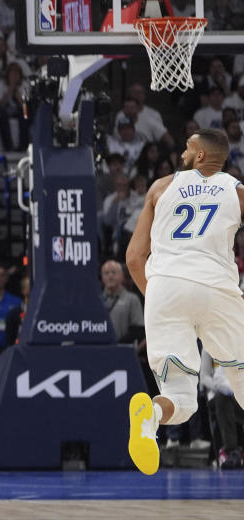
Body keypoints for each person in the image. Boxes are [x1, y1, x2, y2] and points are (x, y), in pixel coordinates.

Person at [126, 129, 244, 476]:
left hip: (164, 286)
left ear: (203, 156)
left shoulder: (159, 188)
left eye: (187, 149)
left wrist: (159, 301)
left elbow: (134, 258)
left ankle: (150, 417)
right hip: (215, 287)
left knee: (180, 396)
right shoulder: (236, 191)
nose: (181, 155)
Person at [100, 259, 145, 343]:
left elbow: (138, 330)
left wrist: (117, 345)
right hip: (100, 349)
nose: (110, 276)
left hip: (123, 350)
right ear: (102, 277)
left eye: (114, 272)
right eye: (106, 273)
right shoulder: (98, 300)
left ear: (122, 276)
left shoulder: (132, 299)